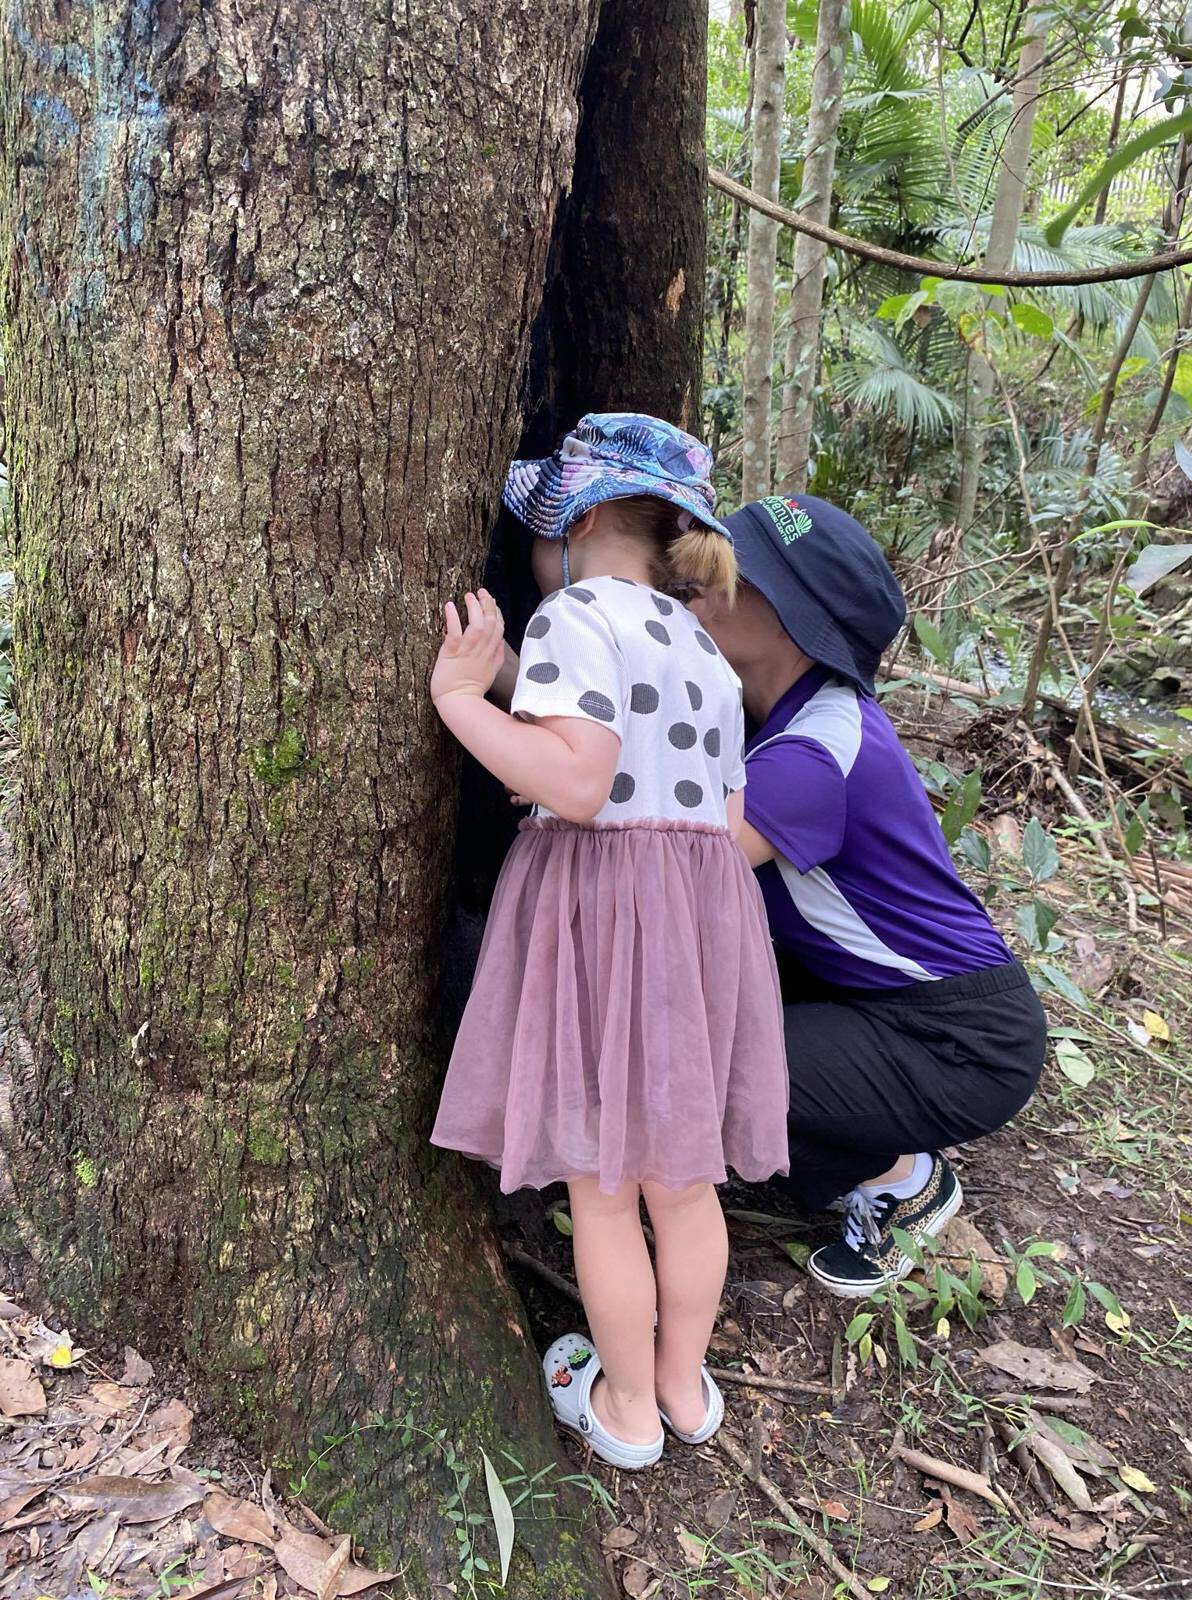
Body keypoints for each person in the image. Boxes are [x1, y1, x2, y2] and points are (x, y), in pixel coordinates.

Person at [429, 415, 789, 1468]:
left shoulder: (574, 613)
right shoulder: (701, 647)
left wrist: (461, 696)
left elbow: (582, 784)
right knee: (682, 1180)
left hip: (602, 916)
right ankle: (683, 1383)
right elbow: (695, 795)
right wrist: (526, 718)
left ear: (578, 523)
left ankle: (625, 1408)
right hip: (695, 920)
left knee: (601, 1183)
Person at [688, 493, 1046, 1299]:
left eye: (732, 576)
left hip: (960, 1042)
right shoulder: (771, 712)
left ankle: (900, 1175)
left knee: (691, 1058)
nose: (700, 586)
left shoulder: (813, 753)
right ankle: (850, 1138)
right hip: (868, 994)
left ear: (794, 624)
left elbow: (665, 875)